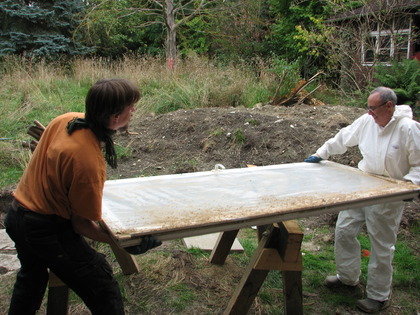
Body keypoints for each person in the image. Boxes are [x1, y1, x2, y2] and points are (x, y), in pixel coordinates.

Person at [4, 78, 161, 315]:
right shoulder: (87, 162)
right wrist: (126, 242)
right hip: (45, 229)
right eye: (131, 106)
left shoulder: (66, 120)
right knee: (101, 285)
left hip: (16, 215)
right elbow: (81, 225)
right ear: (115, 118)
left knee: (32, 278)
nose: (134, 110)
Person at [304, 86, 419, 313]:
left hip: (389, 192)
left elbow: (419, 164)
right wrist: (321, 153)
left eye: (373, 108)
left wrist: (410, 186)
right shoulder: (367, 122)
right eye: (368, 108)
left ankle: (378, 296)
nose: (369, 113)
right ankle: (347, 279)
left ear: (389, 106)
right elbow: (344, 137)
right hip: (361, 185)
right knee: (345, 229)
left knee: (381, 244)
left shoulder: (408, 129)